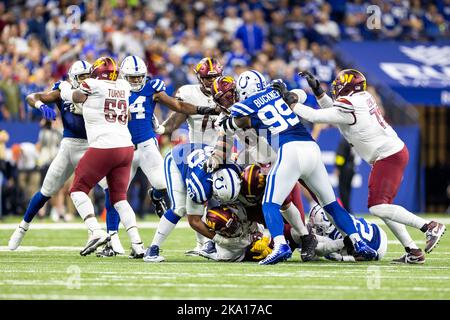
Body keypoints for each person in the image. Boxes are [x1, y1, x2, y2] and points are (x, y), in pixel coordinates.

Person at [206, 70, 378, 265]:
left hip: (288, 151)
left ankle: (281, 245)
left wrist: (219, 120)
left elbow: (230, 124)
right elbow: (299, 95)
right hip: (311, 147)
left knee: (270, 204)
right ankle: (357, 241)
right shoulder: (275, 91)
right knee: (330, 204)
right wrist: (288, 93)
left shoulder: (245, 105)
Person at [288, 69, 446, 263]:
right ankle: (413, 251)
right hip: (390, 154)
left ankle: (429, 227)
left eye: (339, 84)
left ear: (348, 86)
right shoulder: (359, 99)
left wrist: (292, 103)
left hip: (388, 156)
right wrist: (318, 92)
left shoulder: (352, 103)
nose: (336, 87)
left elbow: (315, 116)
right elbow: (334, 113)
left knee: (377, 207)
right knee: (383, 207)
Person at [98, 55, 220, 257]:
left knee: (164, 187)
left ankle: (155, 196)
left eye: (139, 77)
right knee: (115, 195)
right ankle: (112, 239)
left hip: (146, 146)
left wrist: (201, 110)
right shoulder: (113, 88)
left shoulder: (152, 88)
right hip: (123, 147)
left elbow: (178, 107)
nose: (136, 81)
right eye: (132, 77)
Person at [58, 56, 146, 256]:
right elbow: (128, 115)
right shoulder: (123, 86)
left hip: (104, 146)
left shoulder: (92, 84)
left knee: (77, 189)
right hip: (126, 147)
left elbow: (75, 97)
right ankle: (138, 244)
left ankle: (95, 230)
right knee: (120, 198)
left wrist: (64, 88)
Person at [8, 60, 91, 251]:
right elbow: (31, 96)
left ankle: (109, 236)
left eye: (88, 76)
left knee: (108, 188)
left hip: (90, 147)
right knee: (46, 190)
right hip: (68, 145)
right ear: (73, 79)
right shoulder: (62, 90)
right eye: (82, 77)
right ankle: (22, 227)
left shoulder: (97, 91)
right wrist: (40, 106)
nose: (86, 80)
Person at [143, 143, 243, 262]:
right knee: (179, 208)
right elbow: (194, 221)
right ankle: (152, 250)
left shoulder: (235, 169)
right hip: (176, 160)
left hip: (197, 156)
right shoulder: (201, 185)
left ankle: (207, 246)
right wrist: (220, 240)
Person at [308, 204, 388, 262]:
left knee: (337, 253)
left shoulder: (339, 233)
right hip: (375, 229)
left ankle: (347, 257)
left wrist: (342, 259)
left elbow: (322, 249)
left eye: (318, 227)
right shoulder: (338, 219)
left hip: (376, 246)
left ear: (329, 224)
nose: (316, 229)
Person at [335, 138, 355, 211]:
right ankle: (348, 209)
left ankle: (346, 210)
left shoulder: (344, 141)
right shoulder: (350, 141)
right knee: (347, 191)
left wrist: (338, 167)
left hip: (344, 170)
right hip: (351, 169)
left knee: (343, 192)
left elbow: (340, 156)